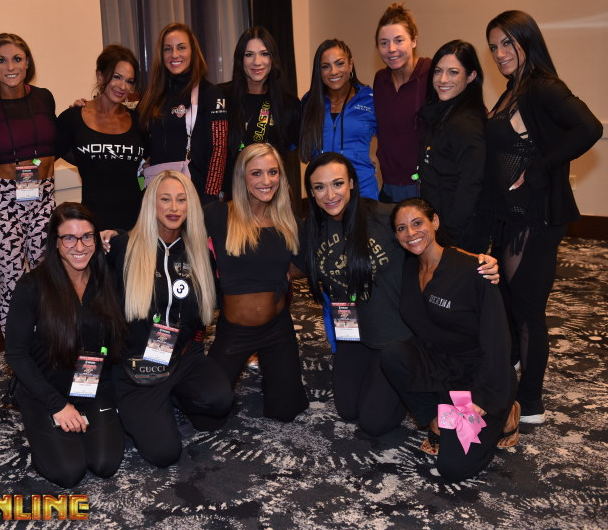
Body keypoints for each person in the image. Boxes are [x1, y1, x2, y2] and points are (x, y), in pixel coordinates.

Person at [301, 153, 500, 437]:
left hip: (395, 337)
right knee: (347, 410)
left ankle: (442, 395)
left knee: (374, 423)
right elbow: (284, 262)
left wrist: (478, 261)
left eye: (338, 183)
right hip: (351, 331)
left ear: (352, 183)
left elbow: (429, 240)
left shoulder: (384, 216)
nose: (330, 195)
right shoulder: (310, 230)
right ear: (311, 192)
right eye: (320, 187)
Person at [484, 10, 602, 424]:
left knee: (528, 309)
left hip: (535, 217)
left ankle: (531, 402)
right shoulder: (512, 89)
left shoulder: (543, 87)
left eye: (507, 43)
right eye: (493, 46)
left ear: (527, 41)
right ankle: (515, 365)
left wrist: (539, 168)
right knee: (506, 300)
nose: (499, 53)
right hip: (508, 217)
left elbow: (589, 128)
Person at [382, 198, 519, 482]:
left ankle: (507, 411)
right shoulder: (408, 267)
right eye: (401, 228)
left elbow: (498, 342)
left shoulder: (474, 270)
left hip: (479, 379)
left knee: (453, 467)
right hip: (442, 371)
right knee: (393, 354)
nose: (410, 233)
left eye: (417, 223)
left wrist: (481, 397)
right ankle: (435, 419)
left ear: (434, 222)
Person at [108, 170, 233, 467]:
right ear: (152, 204)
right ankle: (129, 404)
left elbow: (204, 314)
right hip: (136, 365)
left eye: (181, 200)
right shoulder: (123, 247)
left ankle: (171, 395)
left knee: (219, 403)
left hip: (181, 357)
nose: (174, 208)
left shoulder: (199, 254)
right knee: (164, 454)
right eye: (165, 199)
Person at [4, 202, 126, 487]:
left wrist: (118, 234)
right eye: (69, 238)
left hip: (91, 385)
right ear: (55, 242)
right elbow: (16, 354)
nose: (79, 246)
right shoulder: (32, 286)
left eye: (87, 236)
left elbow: (141, 242)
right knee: (69, 471)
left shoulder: (107, 279)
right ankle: (43, 424)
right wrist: (58, 405)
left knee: (104, 464)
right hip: (45, 390)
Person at [0, 33, 59, 334]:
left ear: (27, 62)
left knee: (51, 283)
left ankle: (48, 350)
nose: (10, 67)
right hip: (6, 202)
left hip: (45, 198)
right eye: (1, 60)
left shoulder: (44, 97)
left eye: (17, 59)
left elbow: (56, 142)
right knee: (13, 285)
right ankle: (18, 355)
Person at [205, 143, 308, 422]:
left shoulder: (288, 220)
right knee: (207, 413)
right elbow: (172, 229)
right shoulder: (218, 214)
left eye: (273, 172)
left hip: (278, 326)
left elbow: (302, 266)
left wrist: (281, 270)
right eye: (256, 173)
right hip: (235, 330)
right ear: (242, 176)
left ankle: (274, 378)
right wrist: (117, 236)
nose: (266, 180)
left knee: (286, 413)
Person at [136, 23, 228, 203]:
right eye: (167, 49)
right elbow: (137, 138)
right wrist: (92, 106)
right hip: (158, 196)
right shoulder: (151, 96)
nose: (174, 55)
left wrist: (210, 198)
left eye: (181, 47)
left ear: (193, 52)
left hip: (196, 197)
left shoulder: (211, 94)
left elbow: (219, 150)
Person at [58, 44, 146, 230]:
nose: (123, 86)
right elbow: (44, 158)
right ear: (100, 76)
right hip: (92, 227)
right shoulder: (73, 118)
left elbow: (152, 163)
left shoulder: (138, 121)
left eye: (129, 81)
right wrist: (20, 170)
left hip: (136, 226)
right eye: (116, 77)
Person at [416, 40, 488, 253]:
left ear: (471, 76)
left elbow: (471, 185)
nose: (443, 79)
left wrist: (449, 236)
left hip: (458, 233)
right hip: (439, 225)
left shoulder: (466, 124)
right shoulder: (443, 114)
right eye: (438, 71)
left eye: (453, 72)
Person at [222, 27, 301, 208]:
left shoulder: (289, 104)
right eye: (249, 55)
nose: (257, 62)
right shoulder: (221, 97)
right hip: (231, 202)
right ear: (240, 59)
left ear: (273, 59)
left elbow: (292, 153)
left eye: (264, 54)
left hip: (272, 201)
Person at [300, 39, 379, 199]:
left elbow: (392, 142)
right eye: (325, 66)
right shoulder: (309, 102)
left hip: (362, 190)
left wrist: (373, 156)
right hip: (323, 193)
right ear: (319, 71)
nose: (333, 71)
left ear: (350, 65)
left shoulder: (370, 100)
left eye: (340, 63)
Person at [373, 3, 431, 203]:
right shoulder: (380, 80)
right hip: (389, 187)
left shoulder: (432, 73)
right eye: (384, 43)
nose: (391, 49)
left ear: (414, 40)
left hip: (425, 187)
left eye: (399, 40)